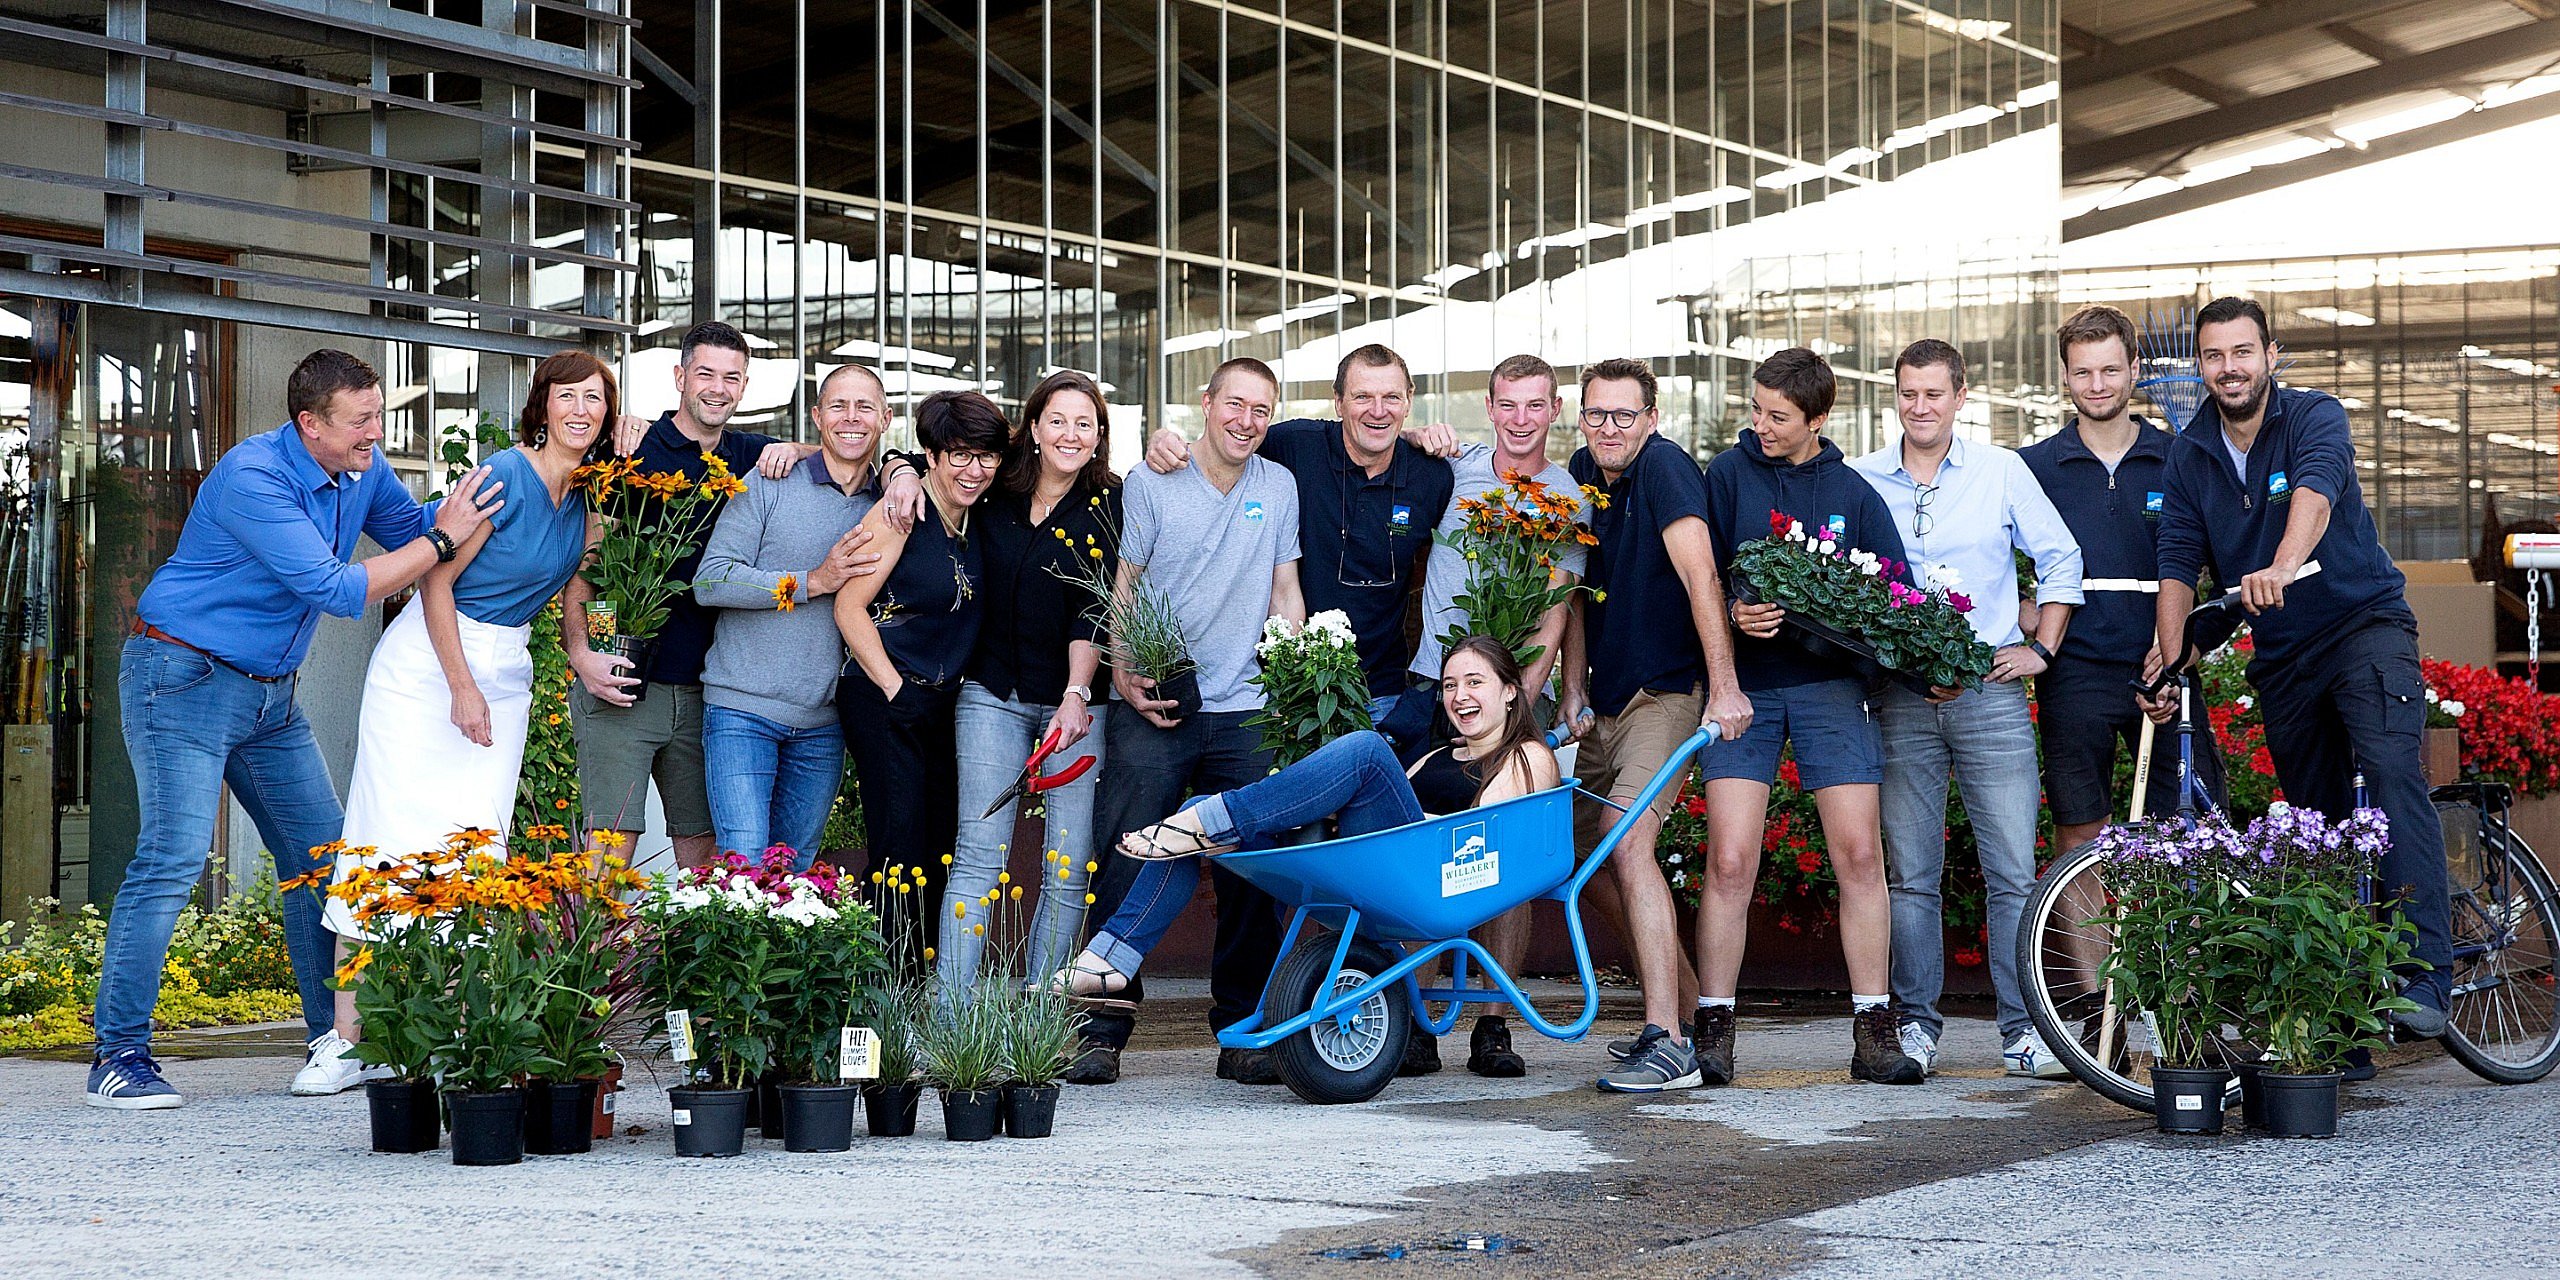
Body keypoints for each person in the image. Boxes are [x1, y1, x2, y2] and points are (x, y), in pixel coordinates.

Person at [87, 349, 502, 1110]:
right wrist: (440, 541)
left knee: (324, 863)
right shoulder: (254, 478)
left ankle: (335, 1039)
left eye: (379, 415)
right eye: (360, 422)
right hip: (181, 677)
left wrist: (529, 494)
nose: (375, 434)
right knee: (172, 860)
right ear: (310, 424)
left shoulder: (361, 468)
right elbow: (338, 587)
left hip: (270, 697)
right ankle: (118, 1056)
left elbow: (420, 531)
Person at [297, 350, 612, 1096]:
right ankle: (347, 1040)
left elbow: (574, 589)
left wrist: (579, 655)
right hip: (429, 668)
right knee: (387, 838)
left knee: (471, 853)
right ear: (542, 406)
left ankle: (441, 1030)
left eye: (595, 399)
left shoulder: (592, 494)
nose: (580, 410)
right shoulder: (502, 475)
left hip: (508, 672)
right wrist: (460, 686)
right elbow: (435, 578)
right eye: (566, 396)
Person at [2148, 296, 2453, 1045]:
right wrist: (2167, 661)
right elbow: (2177, 565)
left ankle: (2424, 975)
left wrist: (2282, 566)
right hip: (2283, 655)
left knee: (2388, 773)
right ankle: (2338, 1015)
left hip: (2363, 626)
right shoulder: (2190, 453)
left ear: (2271, 355)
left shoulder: (2314, 415)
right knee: (2313, 826)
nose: (2230, 369)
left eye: (2243, 352)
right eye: (2215, 356)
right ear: (2201, 365)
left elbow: (2316, 491)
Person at [566, 321, 901, 866]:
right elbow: (596, 565)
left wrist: (899, 468)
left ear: (745, 388)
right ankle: (592, 955)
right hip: (629, 680)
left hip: (705, 690)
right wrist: (591, 652)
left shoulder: (753, 455)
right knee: (611, 845)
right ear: (679, 377)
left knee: (705, 854)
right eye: (705, 374)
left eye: (731, 378)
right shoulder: (631, 451)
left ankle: (684, 955)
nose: (717, 388)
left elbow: (843, 444)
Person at [1058, 636, 1558, 994]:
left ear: (1511, 690)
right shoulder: (1435, 756)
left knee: (1367, 750)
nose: (1458, 696)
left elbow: (1488, 840)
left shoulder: (1527, 756)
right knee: (1194, 819)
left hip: (1432, 875)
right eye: (1449, 685)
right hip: (1375, 866)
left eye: (1475, 682)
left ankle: (1219, 817)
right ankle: (1114, 956)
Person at [1063, 357, 1306, 1087]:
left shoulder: (1279, 486)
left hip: (1248, 710)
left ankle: (1245, 1033)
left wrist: (1291, 662)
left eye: (1262, 410)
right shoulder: (1152, 481)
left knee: (1252, 871)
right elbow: (1126, 588)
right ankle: (1099, 1029)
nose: (1247, 422)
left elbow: (1284, 589)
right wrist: (1127, 673)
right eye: (1236, 405)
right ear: (1207, 404)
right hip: (1158, 704)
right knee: (1133, 852)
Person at [1851, 339, 2083, 1080]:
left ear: (1960, 398)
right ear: (1896, 397)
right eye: (1908, 394)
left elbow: (2061, 559)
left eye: (1935, 394)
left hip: (1990, 693)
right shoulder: (1863, 478)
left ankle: (2025, 1031)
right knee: (1911, 875)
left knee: (2013, 872)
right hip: (1901, 697)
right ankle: (1917, 1027)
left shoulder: (2000, 470)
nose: (1921, 408)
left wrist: (2040, 649)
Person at [1694, 347, 1919, 1086]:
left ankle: (1874, 1030)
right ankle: (1714, 1028)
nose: (1759, 424)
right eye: (1754, 409)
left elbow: (1898, 599)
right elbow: (1696, 581)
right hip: (1744, 689)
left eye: (1777, 416)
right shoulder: (1725, 477)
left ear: (1817, 419)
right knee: (1729, 861)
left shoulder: (1852, 493)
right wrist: (1734, 612)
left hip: (1828, 691)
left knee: (1860, 857)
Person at [1558, 357, 1753, 1094]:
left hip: (1666, 694)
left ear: (1652, 418)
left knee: (1630, 842)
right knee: (1580, 852)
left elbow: (1703, 578)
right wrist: (1574, 688)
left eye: (1624, 415)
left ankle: (1666, 1039)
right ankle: (1694, 1011)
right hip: (1605, 703)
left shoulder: (1667, 469)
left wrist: (1724, 688)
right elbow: (1575, 590)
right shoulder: (1583, 470)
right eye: (1596, 414)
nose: (1609, 429)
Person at [1403, 353, 1588, 1078]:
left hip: (1513, 707)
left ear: (1554, 410)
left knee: (1504, 866)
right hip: (1431, 689)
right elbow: (1389, 436)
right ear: (1489, 405)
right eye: (1506, 405)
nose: (1519, 420)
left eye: (1534, 406)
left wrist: (1523, 696)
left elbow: (1555, 610)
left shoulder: (1567, 497)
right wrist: (1423, 433)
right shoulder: (1457, 467)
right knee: (1419, 857)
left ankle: (1492, 1024)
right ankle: (1418, 1021)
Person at [1146, 343, 1454, 723]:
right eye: (1362, 397)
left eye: (1391, 397)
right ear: (1338, 402)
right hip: (1289, 691)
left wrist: (1419, 436)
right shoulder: (1294, 446)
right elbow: (1230, 438)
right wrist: (1164, 439)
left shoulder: (1433, 477)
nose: (1378, 411)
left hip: (1382, 693)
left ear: (1409, 401)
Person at [2019, 305, 2226, 853]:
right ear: (2064, 376)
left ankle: (2171, 943)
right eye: (2083, 372)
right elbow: (1989, 562)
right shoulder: (2029, 469)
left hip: (2162, 666)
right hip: (2073, 673)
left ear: (2135, 368)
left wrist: (2187, 648)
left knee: (2186, 833)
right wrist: (2025, 614)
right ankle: (2082, 943)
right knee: (2080, 831)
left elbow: (2226, 570)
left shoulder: (2182, 459)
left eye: (2110, 369)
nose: (2097, 384)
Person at [943, 370, 1120, 990]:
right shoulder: (992, 492)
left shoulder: (1111, 505)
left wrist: (1076, 695)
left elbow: (1094, 608)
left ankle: (1040, 1020)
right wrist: (897, 469)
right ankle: (953, 1022)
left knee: (1068, 866)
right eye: (1058, 420)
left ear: (1099, 436)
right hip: (992, 695)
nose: (1071, 434)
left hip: (1078, 704)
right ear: (1035, 429)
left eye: (1085, 423)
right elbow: (924, 457)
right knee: (977, 858)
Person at [692, 363, 894, 867]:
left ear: (886, 419)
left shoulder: (889, 503)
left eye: (864, 407)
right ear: (817, 415)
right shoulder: (769, 482)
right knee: (743, 860)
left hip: (825, 723)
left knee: (794, 868)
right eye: (838, 406)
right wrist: (812, 582)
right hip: (743, 710)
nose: (852, 418)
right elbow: (711, 579)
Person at [835, 390, 1005, 966]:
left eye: (985, 456)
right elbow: (848, 608)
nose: (973, 469)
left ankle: (917, 982)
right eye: (958, 455)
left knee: (936, 850)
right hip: (886, 697)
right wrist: (897, 690)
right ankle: (886, 999)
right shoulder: (898, 515)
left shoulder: (974, 516)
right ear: (931, 455)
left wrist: (898, 464)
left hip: (941, 705)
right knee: (898, 849)